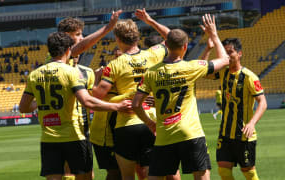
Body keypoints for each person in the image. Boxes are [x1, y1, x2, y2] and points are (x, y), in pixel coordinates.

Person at [19, 32, 131, 180]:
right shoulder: (71, 72)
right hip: (73, 136)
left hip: (48, 138)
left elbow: (23, 108)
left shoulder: (35, 74)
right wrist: (117, 106)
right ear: (68, 50)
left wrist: (39, 101)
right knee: (84, 176)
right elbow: (87, 101)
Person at [132, 14, 229, 180]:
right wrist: (214, 34)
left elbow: (135, 104)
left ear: (166, 45)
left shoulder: (152, 73)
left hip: (164, 135)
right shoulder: (191, 67)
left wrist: (150, 123)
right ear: (185, 47)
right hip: (190, 133)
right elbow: (224, 59)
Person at [92, 8, 171, 180]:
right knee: (155, 176)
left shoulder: (114, 64)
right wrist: (150, 21)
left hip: (126, 125)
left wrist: (96, 79)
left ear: (117, 39)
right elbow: (173, 37)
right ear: (137, 37)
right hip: (152, 121)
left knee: (127, 177)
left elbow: (96, 95)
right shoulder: (153, 54)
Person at [203, 38, 267, 180]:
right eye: (225, 52)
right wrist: (208, 49)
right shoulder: (223, 72)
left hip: (244, 134)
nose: (227, 55)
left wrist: (251, 123)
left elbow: (262, 102)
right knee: (223, 172)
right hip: (225, 133)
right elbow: (204, 71)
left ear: (239, 54)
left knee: (249, 173)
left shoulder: (249, 77)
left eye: (230, 52)